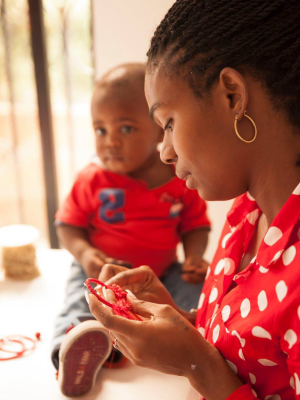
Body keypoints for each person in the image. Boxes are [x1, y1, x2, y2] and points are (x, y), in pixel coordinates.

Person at [87, 1, 300, 400]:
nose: (165, 152)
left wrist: (194, 363)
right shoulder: (248, 214)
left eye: (167, 123)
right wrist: (185, 325)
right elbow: (252, 356)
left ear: (232, 96)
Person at [52, 62, 210, 397]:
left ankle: (176, 340)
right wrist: (85, 253)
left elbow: (195, 225)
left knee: (197, 296)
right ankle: (74, 350)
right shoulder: (92, 179)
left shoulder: (179, 180)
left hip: (162, 273)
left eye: (124, 129)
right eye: (100, 130)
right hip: (100, 271)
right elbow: (67, 225)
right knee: (78, 303)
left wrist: (195, 256)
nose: (110, 142)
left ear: (157, 130)